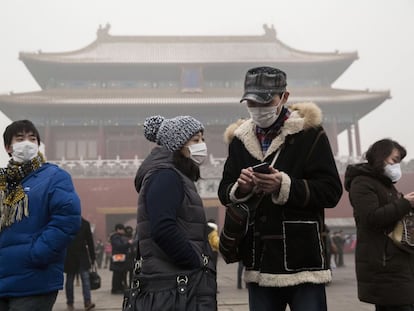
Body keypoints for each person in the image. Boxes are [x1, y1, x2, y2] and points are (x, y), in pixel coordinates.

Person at [218, 66, 343, 311]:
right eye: (251, 102)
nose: (257, 108)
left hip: (302, 258)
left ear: (284, 97)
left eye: (265, 101)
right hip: (259, 258)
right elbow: (225, 191)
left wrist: (283, 185)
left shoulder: (310, 135)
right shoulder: (240, 141)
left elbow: (331, 191)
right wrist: (240, 188)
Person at [134, 115, 217, 309]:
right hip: (172, 283)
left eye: (202, 139)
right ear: (177, 144)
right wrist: (194, 262)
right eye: (195, 140)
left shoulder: (176, 175)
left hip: (175, 281)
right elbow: (163, 228)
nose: (201, 145)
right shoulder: (166, 176)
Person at [0, 119, 81, 311]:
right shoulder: (3, 183)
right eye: (20, 138)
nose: (26, 142)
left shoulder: (54, 177)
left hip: (34, 279)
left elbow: (67, 220)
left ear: (38, 144)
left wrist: (37, 253)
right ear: (8, 147)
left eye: (32, 138)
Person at [344, 138, 414, 310]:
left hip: (399, 264)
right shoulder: (362, 183)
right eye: (394, 160)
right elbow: (371, 218)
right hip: (384, 265)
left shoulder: (387, 185)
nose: (397, 166)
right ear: (380, 157)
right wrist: (405, 203)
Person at [64, 217, 96, 310]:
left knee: (82, 280)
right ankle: (72, 302)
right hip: (74, 256)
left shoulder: (82, 223)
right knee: (74, 280)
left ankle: (85, 302)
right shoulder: (81, 223)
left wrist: (93, 257)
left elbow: (90, 241)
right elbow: (90, 242)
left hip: (78, 256)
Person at [109, 223, 132, 294]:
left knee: (120, 273)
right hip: (118, 257)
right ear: (118, 229)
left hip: (120, 257)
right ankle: (115, 288)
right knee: (117, 273)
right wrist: (128, 243)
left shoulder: (118, 236)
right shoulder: (115, 237)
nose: (123, 231)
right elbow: (119, 246)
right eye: (122, 229)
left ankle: (119, 287)